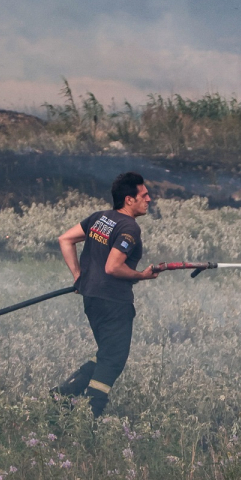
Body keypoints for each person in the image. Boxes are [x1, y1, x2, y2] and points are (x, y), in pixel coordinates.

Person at [53, 172, 158, 417]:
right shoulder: (129, 227)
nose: (149, 199)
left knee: (106, 353)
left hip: (92, 300)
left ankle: (64, 394)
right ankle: (90, 415)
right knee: (113, 360)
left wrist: (79, 276)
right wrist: (142, 275)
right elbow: (113, 267)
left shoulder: (99, 218)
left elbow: (65, 239)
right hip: (114, 303)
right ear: (129, 200)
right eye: (144, 195)